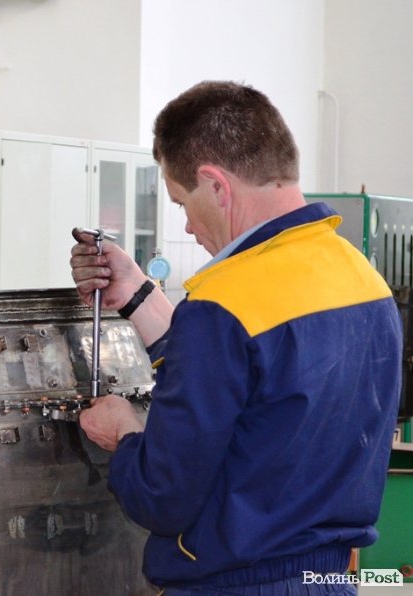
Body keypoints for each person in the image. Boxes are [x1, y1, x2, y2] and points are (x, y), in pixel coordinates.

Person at [71, 81, 402, 594]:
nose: (188, 225)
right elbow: (255, 389)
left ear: (216, 186)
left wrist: (124, 435)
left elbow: (162, 497)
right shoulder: (362, 280)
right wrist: (136, 293)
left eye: (182, 202)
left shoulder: (222, 306)